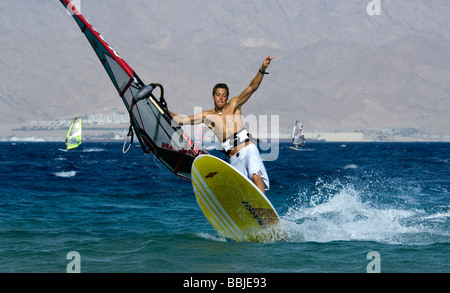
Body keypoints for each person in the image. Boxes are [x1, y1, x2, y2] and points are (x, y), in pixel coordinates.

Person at [170, 56, 274, 194]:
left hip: (248, 150)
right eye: (218, 95)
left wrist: (262, 69)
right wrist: (162, 110)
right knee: (243, 192)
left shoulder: (234, 105)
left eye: (224, 95)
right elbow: (182, 120)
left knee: (256, 176)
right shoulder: (207, 116)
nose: (221, 97)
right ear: (213, 96)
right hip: (233, 159)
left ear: (227, 97)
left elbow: (252, 87)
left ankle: (264, 212)